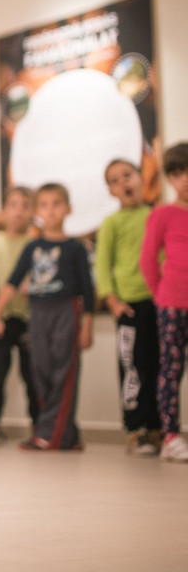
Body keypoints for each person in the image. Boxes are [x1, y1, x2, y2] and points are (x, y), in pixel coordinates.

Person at [0, 183, 94, 451]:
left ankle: (52, 434)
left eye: (56, 204)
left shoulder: (75, 248)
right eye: (43, 205)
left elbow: (88, 291)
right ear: (37, 211)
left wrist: (87, 327)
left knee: (63, 372)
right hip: (38, 314)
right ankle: (63, 433)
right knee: (40, 372)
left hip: (65, 312)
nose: (50, 210)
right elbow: (11, 282)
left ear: (68, 209)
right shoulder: (33, 247)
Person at [96, 160, 161, 455]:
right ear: (110, 190)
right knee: (132, 367)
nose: (124, 183)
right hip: (129, 306)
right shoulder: (112, 223)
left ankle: (159, 426)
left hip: (160, 302)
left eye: (128, 175)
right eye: (115, 180)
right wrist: (113, 301)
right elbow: (102, 265)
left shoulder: (156, 215)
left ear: (141, 177)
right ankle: (136, 429)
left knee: (160, 366)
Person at [139, 142, 188, 462]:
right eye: (177, 173)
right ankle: (170, 435)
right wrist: (160, 294)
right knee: (170, 370)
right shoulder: (163, 214)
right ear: (170, 179)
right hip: (172, 305)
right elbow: (147, 259)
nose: (184, 179)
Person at [0, 187, 40, 441]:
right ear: (4, 210)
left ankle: (39, 427)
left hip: (30, 318)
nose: (18, 211)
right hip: (1, 318)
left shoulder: (37, 244)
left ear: (32, 211)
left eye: (25, 205)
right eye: (13, 205)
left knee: (33, 376)